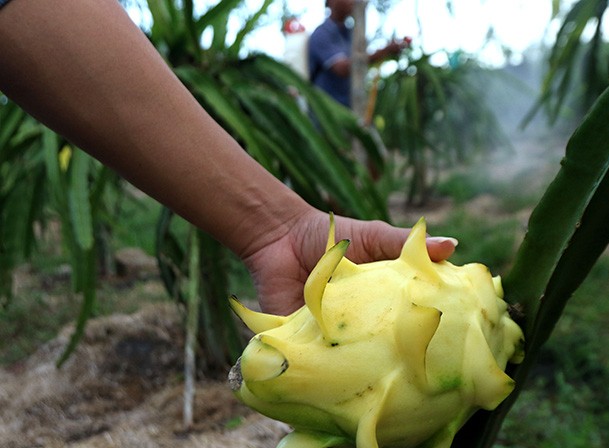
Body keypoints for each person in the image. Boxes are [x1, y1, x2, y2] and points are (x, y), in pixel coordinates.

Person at [0, 0, 455, 316]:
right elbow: (340, 67)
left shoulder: (350, 32)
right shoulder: (322, 36)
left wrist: (278, 231)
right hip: (325, 125)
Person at [308, 0, 407, 107]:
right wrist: (385, 51)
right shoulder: (322, 34)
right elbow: (342, 69)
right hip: (325, 110)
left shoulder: (351, 34)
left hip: (348, 108)